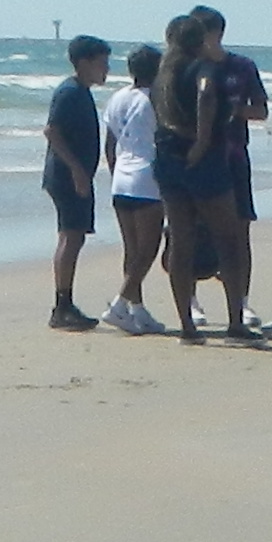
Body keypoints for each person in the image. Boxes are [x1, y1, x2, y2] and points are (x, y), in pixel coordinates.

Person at [151, 9, 266, 342]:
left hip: (168, 161)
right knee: (227, 238)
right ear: (200, 40)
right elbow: (205, 93)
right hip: (204, 161)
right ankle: (235, 322)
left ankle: (186, 325)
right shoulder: (203, 68)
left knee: (181, 240)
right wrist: (202, 139)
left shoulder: (164, 74)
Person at [39, 34, 114, 330]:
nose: (106, 69)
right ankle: (62, 306)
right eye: (102, 64)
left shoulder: (81, 91)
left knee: (75, 237)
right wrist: (77, 171)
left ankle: (65, 303)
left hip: (73, 174)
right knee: (70, 237)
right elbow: (52, 132)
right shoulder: (69, 92)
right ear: (84, 63)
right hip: (65, 176)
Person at [100, 41, 169, 329]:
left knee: (131, 249)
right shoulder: (156, 98)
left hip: (122, 178)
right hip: (147, 177)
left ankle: (136, 309)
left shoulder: (118, 98)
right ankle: (119, 304)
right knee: (147, 250)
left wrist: (116, 171)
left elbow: (110, 143)